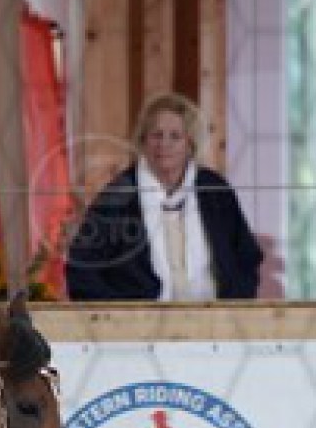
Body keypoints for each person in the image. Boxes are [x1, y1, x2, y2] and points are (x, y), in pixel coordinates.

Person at [65, 93, 263, 302]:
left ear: (191, 144)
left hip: (213, 317)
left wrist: (235, 303)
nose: (164, 144)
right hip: (141, 321)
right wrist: (118, 315)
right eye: (156, 135)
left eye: (175, 136)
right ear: (143, 140)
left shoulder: (214, 189)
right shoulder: (118, 195)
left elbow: (247, 258)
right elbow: (82, 271)